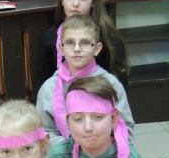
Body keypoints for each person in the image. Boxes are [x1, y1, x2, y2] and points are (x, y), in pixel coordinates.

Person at [36, 13, 134, 146]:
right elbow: (45, 133)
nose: (77, 49)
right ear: (61, 48)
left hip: (105, 153)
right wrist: (74, 148)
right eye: (70, 43)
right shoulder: (49, 89)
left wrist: (99, 149)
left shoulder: (111, 84)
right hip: (64, 155)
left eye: (85, 43)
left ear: (97, 49)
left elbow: (125, 128)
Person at [35, 0, 129, 91]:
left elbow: (120, 88)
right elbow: (41, 88)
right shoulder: (50, 37)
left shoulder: (108, 38)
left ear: (93, 2)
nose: (75, 4)